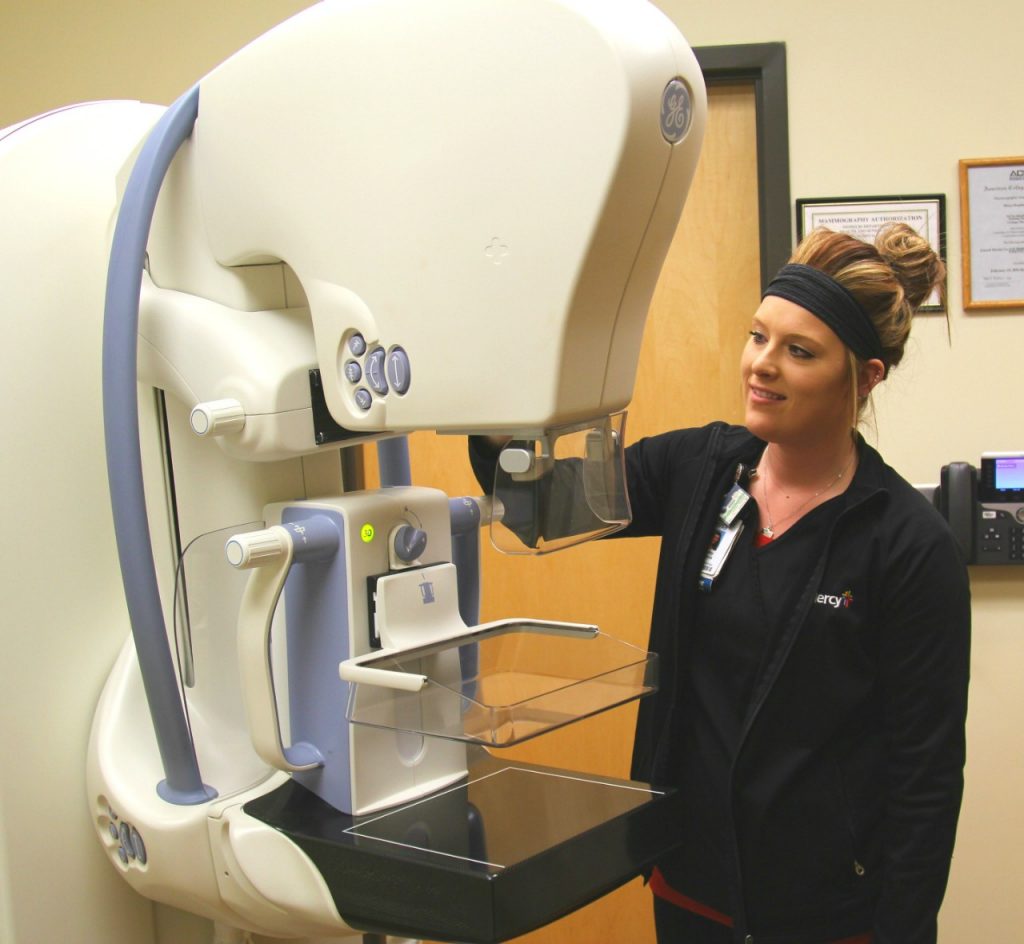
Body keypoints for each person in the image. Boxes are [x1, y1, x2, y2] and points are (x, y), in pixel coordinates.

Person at [470, 224, 970, 944]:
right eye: (757, 336)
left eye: (798, 351)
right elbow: (541, 506)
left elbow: (925, 777)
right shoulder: (701, 469)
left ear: (865, 377)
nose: (761, 366)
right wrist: (496, 398)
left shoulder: (907, 545)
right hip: (691, 886)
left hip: (827, 912)